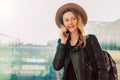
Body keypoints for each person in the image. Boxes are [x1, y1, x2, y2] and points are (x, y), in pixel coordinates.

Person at [53, 3, 109, 80]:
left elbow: (103, 69)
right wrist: (63, 43)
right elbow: (57, 66)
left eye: (73, 18)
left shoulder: (90, 40)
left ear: (78, 20)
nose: (70, 22)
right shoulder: (62, 42)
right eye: (66, 20)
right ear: (63, 24)